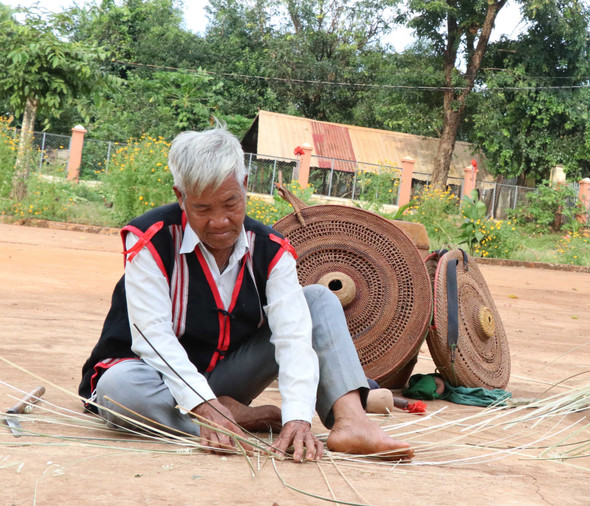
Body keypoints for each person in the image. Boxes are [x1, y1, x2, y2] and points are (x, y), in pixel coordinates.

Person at [78, 127, 413, 462]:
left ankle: (352, 422)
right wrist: (204, 404)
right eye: (202, 208)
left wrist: (296, 416)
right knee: (118, 389)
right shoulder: (150, 240)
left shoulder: (271, 250)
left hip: (228, 377)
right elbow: (151, 336)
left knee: (318, 300)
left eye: (230, 203)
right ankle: (237, 419)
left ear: (246, 185)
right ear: (180, 197)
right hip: (154, 381)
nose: (220, 221)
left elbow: (293, 337)